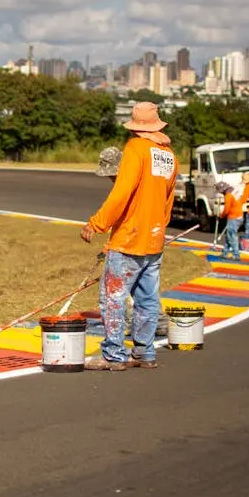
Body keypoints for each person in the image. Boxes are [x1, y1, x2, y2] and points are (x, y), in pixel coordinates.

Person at [80, 103, 178, 371]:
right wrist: (158, 228)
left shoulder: (135, 149)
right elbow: (169, 199)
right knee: (147, 299)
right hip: (154, 239)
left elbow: (121, 193)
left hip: (129, 240)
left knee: (113, 297)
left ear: (135, 126)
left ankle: (113, 355)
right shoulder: (168, 155)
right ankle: (145, 353)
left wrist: (97, 223)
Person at [94, 146, 169, 338]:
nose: (111, 178)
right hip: (148, 240)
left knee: (113, 295)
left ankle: (116, 346)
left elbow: (120, 215)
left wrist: (96, 226)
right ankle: (150, 337)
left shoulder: (127, 185)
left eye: (113, 174)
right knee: (145, 293)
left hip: (130, 244)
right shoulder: (145, 180)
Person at [216, 181, 243, 260]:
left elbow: (226, 209)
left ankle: (236, 254)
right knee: (229, 236)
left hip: (233, 217)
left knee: (232, 236)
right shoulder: (234, 191)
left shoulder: (228, 196)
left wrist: (221, 215)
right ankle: (225, 252)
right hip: (239, 215)